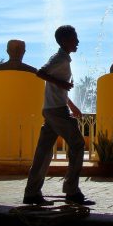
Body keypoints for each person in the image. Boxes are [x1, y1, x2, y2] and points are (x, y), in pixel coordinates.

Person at [23, 25, 95, 206]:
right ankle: (71, 191)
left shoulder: (64, 59)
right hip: (56, 110)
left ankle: (31, 193)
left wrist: (72, 106)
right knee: (78, 145)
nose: (77, 41)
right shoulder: (59, 58)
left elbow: (58, 87)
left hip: (52, 108)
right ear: (64, 41)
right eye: (74, 38)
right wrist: (60, 84)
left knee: (43, 151)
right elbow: (40, 73)